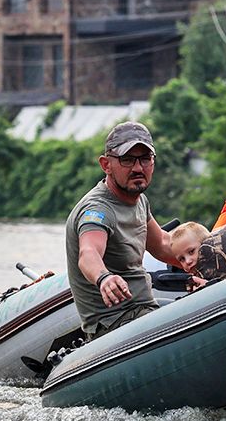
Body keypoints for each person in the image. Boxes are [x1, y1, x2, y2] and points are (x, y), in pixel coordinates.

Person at [65, 121, 178, 341]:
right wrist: (104, 278)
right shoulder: (97, 210)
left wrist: (212, 268)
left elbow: (164, 246)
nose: (138, 168)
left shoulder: (139, 201)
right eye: (127, 159)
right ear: (106, 164)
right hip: (116, 325)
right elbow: (88, 254)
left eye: (145, 159)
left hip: (143, 311)